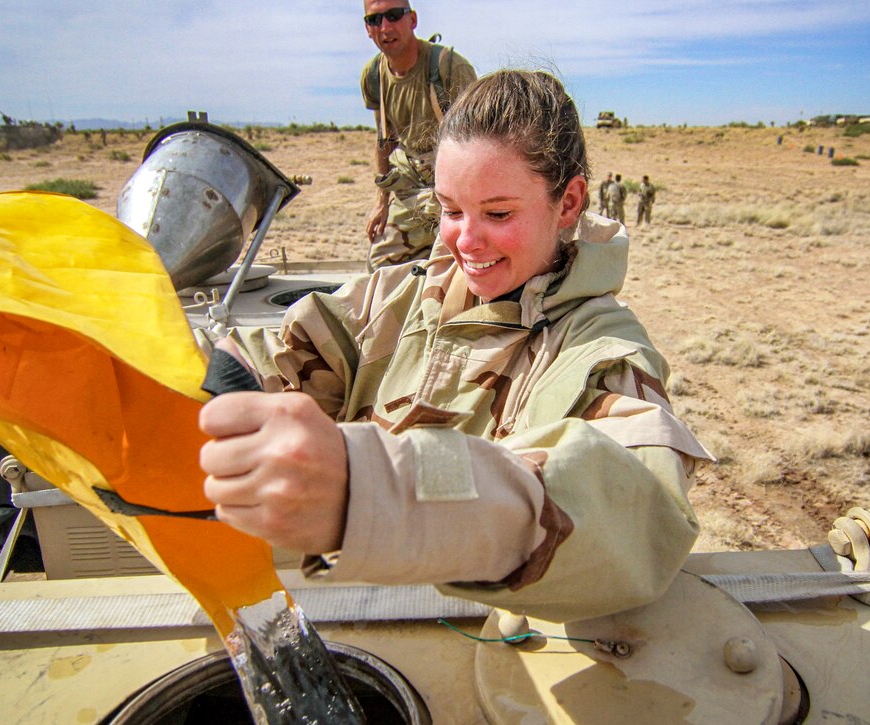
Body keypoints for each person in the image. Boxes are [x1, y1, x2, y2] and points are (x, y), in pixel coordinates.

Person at [199, 70, 709, 621]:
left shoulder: (601, 350)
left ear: (568, 203)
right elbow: (271, 353)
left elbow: (632, 516)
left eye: (497, 213)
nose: (466, 240)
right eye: (450, 209)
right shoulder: (401, 297)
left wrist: (375, 495)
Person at [360, 1, 477, 270]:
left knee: (458, 267)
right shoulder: (374, 75)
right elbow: (384, 139)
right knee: (380, 265)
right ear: (367, 29)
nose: (385, 27)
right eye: (375, 20)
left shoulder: (448, 67)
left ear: (412, 20)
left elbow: (480, 140)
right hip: (410, 183)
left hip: (453, 183)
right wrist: (382, 202)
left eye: (393, 16)